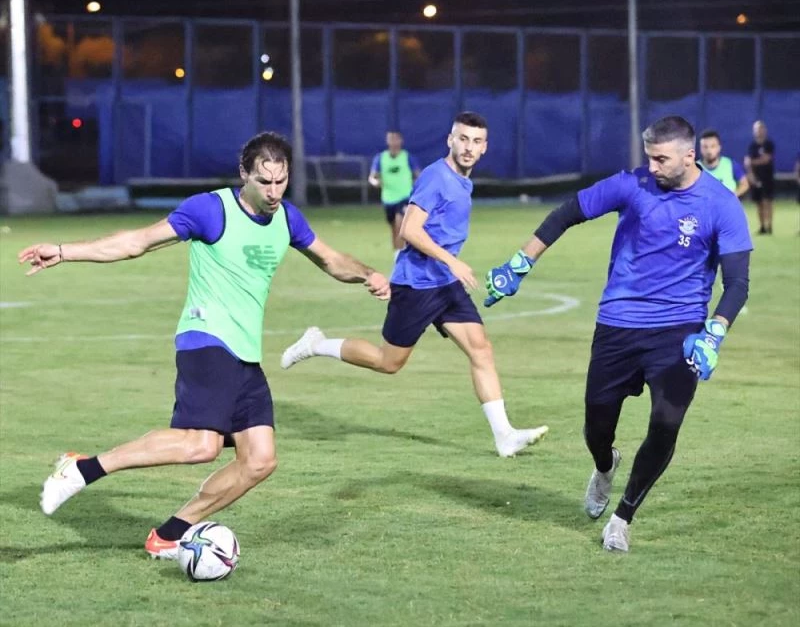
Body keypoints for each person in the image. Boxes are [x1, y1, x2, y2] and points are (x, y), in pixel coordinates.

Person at [19, 131, 390, 560]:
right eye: (264, 181)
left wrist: (367, 273)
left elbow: (331, 259)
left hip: (245, 353)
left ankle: (169, 534)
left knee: (259, 460)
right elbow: (137, 242)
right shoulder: (210, 210)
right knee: (201, 445)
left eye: (281, 181)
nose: (273, 192)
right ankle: (82, 468)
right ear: (244, 174)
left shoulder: (287, 219)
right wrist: (64, 251)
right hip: (206, 339)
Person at [484, 116, 752, 552]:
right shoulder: (633, 184)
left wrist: (714, 333)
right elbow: (568, 212)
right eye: (649, 157)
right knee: (596, 426)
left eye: (661, 159)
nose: (653, 166)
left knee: (666, 423)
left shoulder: (721, 204)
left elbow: (737, 283)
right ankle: (605, 465)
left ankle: (621, 518)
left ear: (690, 156)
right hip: (618, 323)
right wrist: (521, 262)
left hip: (679, 330)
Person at [282, 112, 548, 458]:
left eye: (476, 141)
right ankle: (317, 344)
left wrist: (449, 267)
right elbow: (409, 230)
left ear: (485, 147)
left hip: (445, 284)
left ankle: (505, 436)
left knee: (481, 349)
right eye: (463, 139)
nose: (469, 147)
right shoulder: (436, 177)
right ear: (450, 140)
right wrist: (452, 260)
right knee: (388, 362)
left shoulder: (462, 180)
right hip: (417, 285)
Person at [368, 131, 421, 257]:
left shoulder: (407, 157)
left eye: (395, 139)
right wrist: (375, 182)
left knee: (400, 224)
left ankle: (401, 255)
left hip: (405, 197)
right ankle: (397, 253)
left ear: (401, 141)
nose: (393, 142)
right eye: (391, 139)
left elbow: (418, 174)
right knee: (393, 228)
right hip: (388, 199)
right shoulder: (381, 158)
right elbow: (372, 177)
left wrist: (418, 187)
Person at [744, 121, 775, 234]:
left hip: (767, 177)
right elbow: (747, 163)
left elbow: (766, 159)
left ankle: (769, 226)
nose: (759, 131)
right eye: (756, 129)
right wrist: (751, 175)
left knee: (768, 201)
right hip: (756, 178)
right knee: (759, 203)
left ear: (764, 130)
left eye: (760, 129)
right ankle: (762, 227)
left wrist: (752, 162)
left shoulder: (769, 144)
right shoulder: (752, 146)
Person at [699, 129, 749, 198]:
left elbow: (745, 184)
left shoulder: (730, 164)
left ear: (719, 147)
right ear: (700, 148)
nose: (709, 150)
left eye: (713, 146)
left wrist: (733, 197)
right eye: (705, 147)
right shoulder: (694, 168)